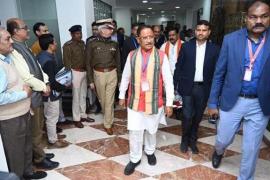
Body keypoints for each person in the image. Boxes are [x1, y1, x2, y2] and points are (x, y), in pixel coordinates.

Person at [208, 1, 270, 179]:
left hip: (260, 103)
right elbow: (219, 73)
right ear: (246, 18)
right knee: (223, 139)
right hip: (232, 100)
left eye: (264, 16)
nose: (259, 21)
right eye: (253, 17)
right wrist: (213, 103)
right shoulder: (230, 40)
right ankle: (219, 151)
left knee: (251, 148)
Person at [119, 25, 174, 175]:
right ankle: (135, 158)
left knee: (151, 130)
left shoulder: (161, 56)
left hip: (154, 101)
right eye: (145, 37)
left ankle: (150, 152)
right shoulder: (132, 55)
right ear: (138, 39)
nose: (149, 40)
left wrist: (169, 103)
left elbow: (168, 81)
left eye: (151, 37)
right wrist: (121, 95)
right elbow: (125, 76)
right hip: (135, 101)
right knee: (135, 132)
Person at [7, 18, 59, 170]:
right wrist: (43, 86)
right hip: (32, 95)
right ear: (16, 31)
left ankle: (39, 152)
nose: (28, 30)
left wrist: (46, 81)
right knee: (35, 130)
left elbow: (37, 67)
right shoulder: (14, 49)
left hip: (38, 92)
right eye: (25, 28)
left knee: (39, 127)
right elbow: (25, 76)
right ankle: (39, 159)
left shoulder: (24, 46)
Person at [0, 27, 46, 179]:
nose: (11, 41)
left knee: (26, 147)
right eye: (7, 39)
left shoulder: (8, 58)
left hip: (22, 112)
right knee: (15, 153)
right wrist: (24, 94)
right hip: (10, 118)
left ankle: (28, 172)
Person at [174, 20, 220, 154]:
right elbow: (179, 66)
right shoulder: (187, 46)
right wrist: (174, 85)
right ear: (195, 31)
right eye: (198, 30)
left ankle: (193, 140)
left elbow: (218, 72)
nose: (201, 32)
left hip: (204, 88)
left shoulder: (215, 49)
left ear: (209, 32)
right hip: (188, 87)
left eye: (204, 30)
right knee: (187, 115)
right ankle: (184, 139)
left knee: (198, 116)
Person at [86, 18, 121, 135]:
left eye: (112, 29)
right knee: (103, 100)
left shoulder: (114, 44)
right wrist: (90, 80)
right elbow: (88, 63)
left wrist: (119, 78)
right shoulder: (92, 43)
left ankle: (108, 123)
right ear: (102, 30)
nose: (111, 31)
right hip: (98, 74)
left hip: (112, 73)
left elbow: (118, 62)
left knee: (110, 100)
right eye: (109, 29)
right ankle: (108, 116)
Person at [37, 33, 69, 148]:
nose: (56, 44)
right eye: (54, 42)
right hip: (50, 94)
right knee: (52, 117)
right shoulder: (48, 61)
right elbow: (52, 82)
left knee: (49, 116)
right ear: (50, 45)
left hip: (46, 94)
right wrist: (65, 87)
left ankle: (52, 135)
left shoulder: (42, 55)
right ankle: (53, 141)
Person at [63, 25, 95, 128]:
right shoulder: (68, 45)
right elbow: (67, 64)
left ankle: (83, 115)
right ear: (72, 34)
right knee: (76, 97)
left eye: (80, 33)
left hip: (84, 72)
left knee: (83, 95)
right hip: (75, 73)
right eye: (77, 34)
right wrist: (69, 79)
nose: (79, 35)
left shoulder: (82, 43)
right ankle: (76, 119)